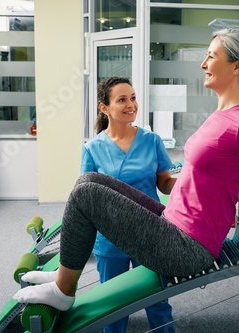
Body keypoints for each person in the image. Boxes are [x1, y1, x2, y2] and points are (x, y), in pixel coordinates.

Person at [13, 29, 239, 317]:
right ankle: (65, 275)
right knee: (88, 182)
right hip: (171, 222)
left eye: (211, 56)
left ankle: (64, 290)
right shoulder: (223, 115)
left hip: (188, 246)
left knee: (87, 195)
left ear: (237, 65)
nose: (204, 64)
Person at [83, 76, 176, 333]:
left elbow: (165, 183)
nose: (131, 104)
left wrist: (192, 185)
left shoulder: (152, 141)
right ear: (105, 108)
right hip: (111, 236)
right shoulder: (92, 148)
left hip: (150, 232)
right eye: (122, 99)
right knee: (113, 307)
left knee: (158, 301)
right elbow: (86, 198)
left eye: (133, 98)